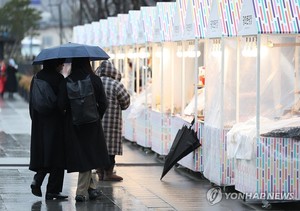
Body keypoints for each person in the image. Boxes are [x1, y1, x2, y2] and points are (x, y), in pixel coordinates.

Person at [57, 58, 111, 202]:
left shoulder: (66, 81)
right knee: (89, 155)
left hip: (73, 124)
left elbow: (60, 105)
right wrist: (96, 116)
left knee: (83, 154)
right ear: (88, 63)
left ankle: (91, 189)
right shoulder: (95, 79)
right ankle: (81, 192)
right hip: (92, 124)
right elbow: (104, 103)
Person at [29, 58, 68, 200]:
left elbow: (32, 101)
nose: (62, 65)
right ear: (55, 64)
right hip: (55, 122)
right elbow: (61, 103)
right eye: (61, 63)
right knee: (57, 157)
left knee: (44, 154)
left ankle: (37, 180)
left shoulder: (36, 77)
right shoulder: (59, 78)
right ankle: (52, 190)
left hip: (39, 122)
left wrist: (35, 118)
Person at [95, 60, 130, 181]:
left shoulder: (94, 82)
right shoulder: (116, 84)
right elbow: (126, 103)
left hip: (96, 121)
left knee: (97, 147)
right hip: (112, 123)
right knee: (110, 149)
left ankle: (99, 171)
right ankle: (108, 173)